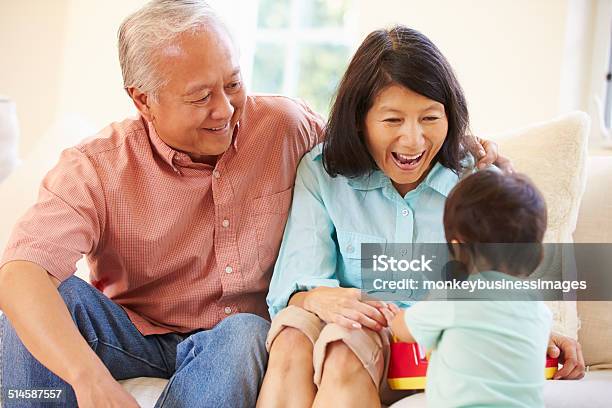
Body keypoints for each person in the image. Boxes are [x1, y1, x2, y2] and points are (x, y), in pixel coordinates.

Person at [259, 25, 585, 408]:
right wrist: (319, 297)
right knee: (296, 336)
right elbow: (291, 293)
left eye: (430, 118)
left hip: (434, 341)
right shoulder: (323, 172)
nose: (413, 140)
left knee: (343, 347)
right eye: (393, 121)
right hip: (354, 330)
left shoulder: (477, 178)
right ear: (359, 120)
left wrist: (543, 330)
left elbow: (508, 283)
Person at [390, 170, 552, 407]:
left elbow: (403, 329)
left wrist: (392, 314)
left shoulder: (455, 296)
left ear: (458, 247)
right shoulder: (538, 307)